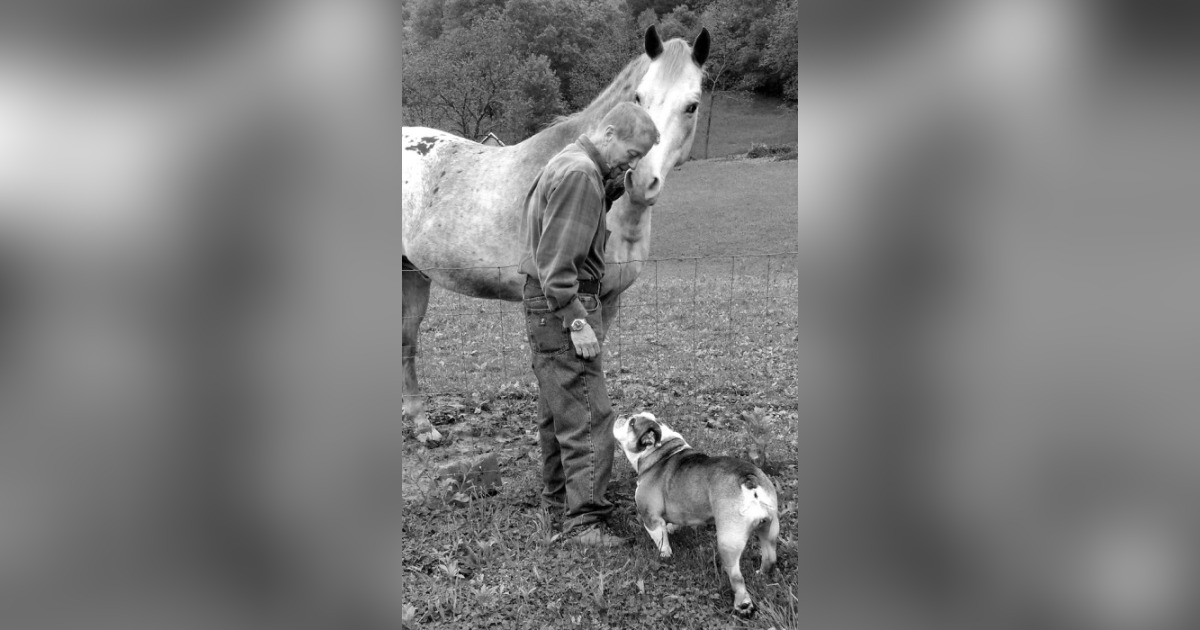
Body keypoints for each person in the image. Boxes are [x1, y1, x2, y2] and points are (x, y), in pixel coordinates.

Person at [519, 102, 659, 546]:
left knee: (559, 407)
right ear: (610, 132)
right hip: (565, 301)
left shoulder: (571, 163)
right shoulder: (582, 176)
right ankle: (586, 521)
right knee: (589, 411)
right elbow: (557, 264)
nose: (633, 164)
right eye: (632, 153)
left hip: (545, 304)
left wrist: (612, 184)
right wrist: (576, 321)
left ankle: (559, 498)